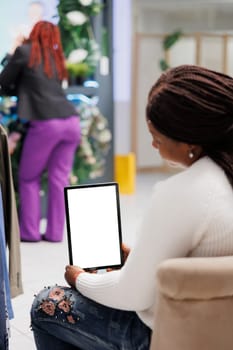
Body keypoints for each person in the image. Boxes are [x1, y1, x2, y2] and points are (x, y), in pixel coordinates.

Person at [30, 64, 233, 349]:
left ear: (188, 138)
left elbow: (133, 294)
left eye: (157, 136)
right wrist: (140, 258)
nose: (152, 144)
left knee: (47, 303)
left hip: (165, 334)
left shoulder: (182, 192)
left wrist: (80, 279)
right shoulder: (224, 178)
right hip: (221, 332)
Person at [0, 21, 81, 242]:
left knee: (28, 178)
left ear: (33, 34)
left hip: (47, 123)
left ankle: (30, 232)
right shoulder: (56, 58)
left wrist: (10, 51)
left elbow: (3, 82)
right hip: (72, 122)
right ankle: (55, 234)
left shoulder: (24, 52)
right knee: (59, 179)